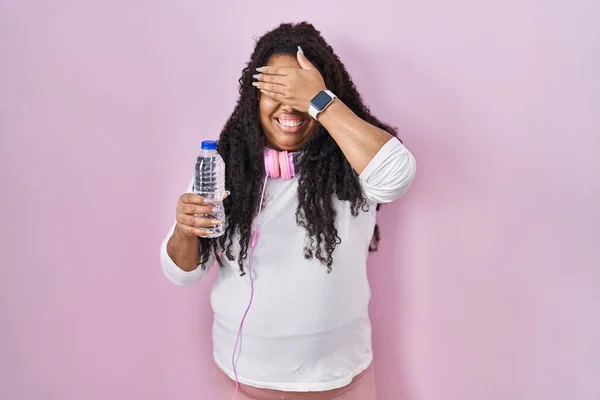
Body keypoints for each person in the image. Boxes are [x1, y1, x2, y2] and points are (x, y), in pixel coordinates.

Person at [160, 22, 416, 400]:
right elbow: (182, 274)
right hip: (242, 378)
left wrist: (320, 100)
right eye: (275, 90)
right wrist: (184, 230)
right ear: (253, 98)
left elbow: (396, 175)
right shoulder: (223, 163)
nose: (290, 104)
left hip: (339, 379)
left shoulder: (351, 162)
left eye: (301, 91)